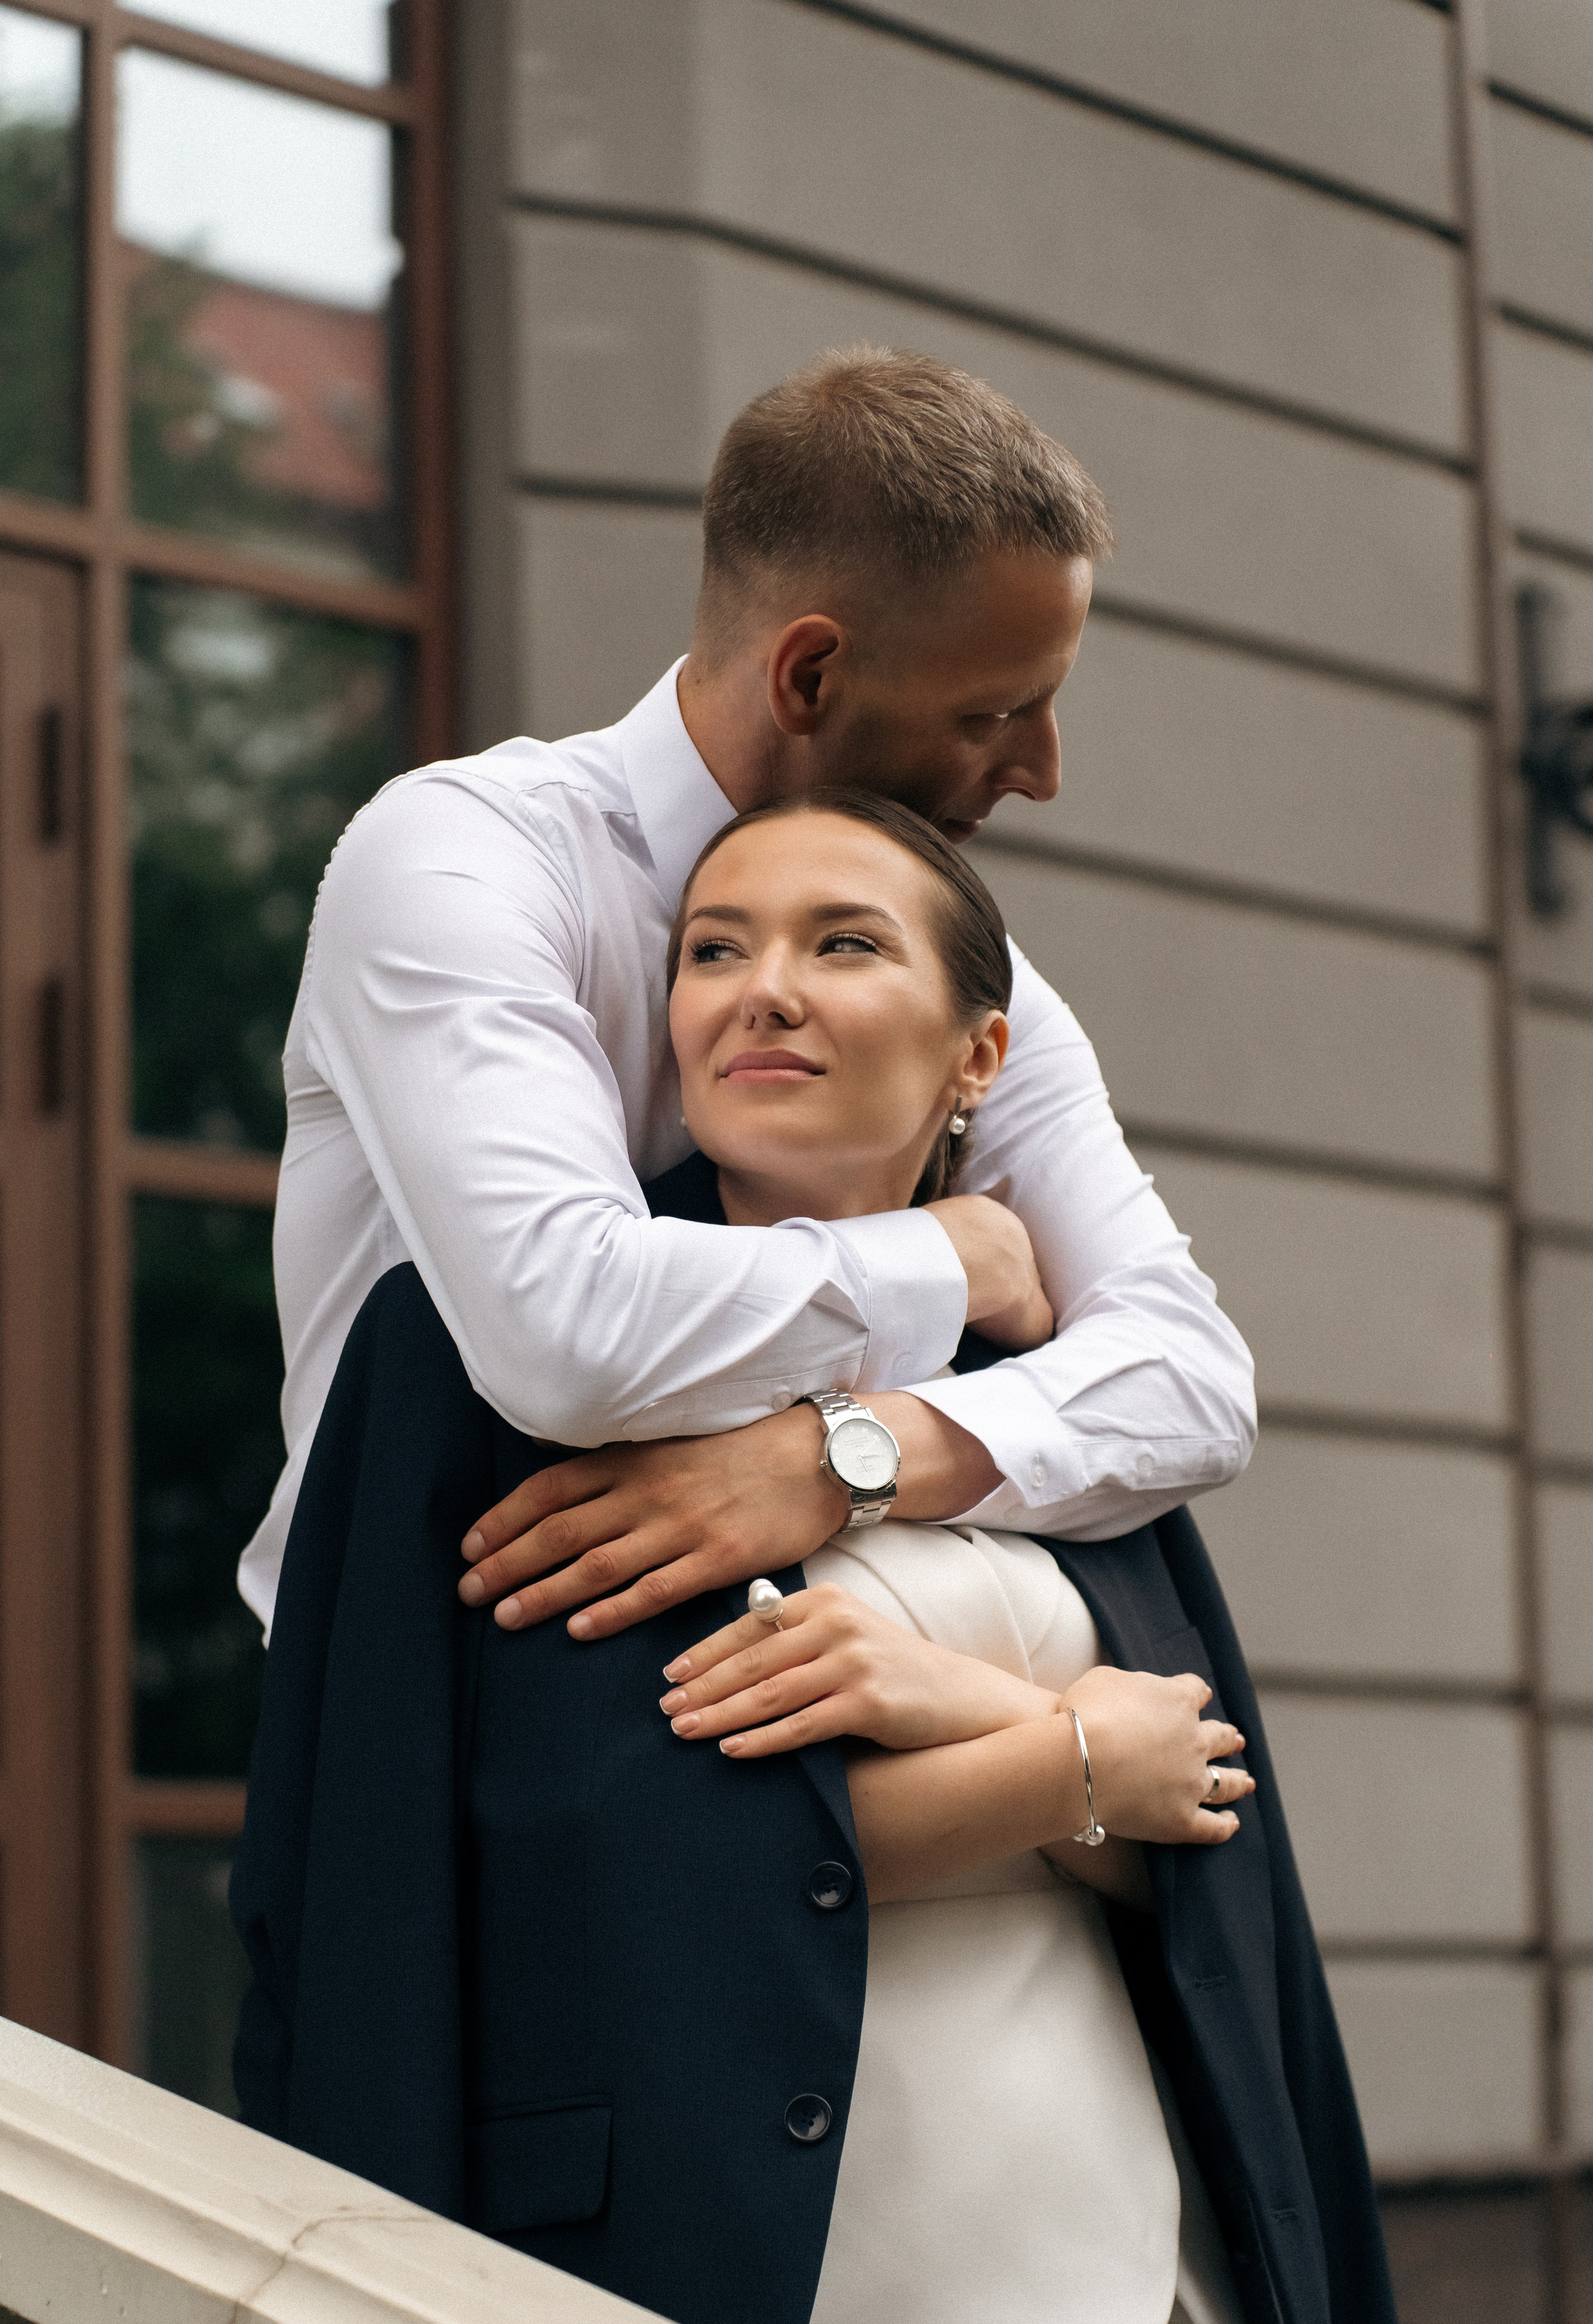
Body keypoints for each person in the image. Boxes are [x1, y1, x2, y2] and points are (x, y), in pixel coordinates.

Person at [230, 793, 1393, 2324]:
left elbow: (1198, 1815)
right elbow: (572, 1871)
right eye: (713, 948)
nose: (759, 986)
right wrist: (1055, 1763)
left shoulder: (1051, 1377)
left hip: (1136, 2230)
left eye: (840, 942)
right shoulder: (466, 1360)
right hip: (729, 2242)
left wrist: (947, 1703)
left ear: (977, 1053)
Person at [236, 346, 1256, 1669]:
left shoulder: (968, 977)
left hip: (823, 1732)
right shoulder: (458, 865)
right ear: (809, 677)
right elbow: (569, 1333)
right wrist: (956, 1262)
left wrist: (846, 1457)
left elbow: (1189, 1373)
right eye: (991, 713)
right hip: (431, 1727)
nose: (1037, 772)